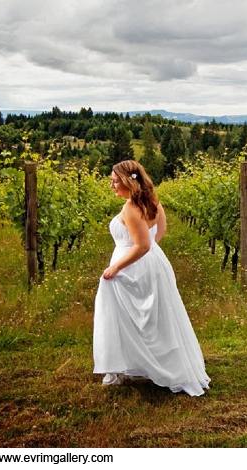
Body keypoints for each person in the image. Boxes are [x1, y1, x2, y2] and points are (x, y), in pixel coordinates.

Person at [92, 160, 211, 396]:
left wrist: (116, 267)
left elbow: (143, 245)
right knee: (158, 318)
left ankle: (140, 365)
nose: (111, 185)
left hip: (133, 266)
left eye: (115, 181)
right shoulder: (153, 201)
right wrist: (146, 257)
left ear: (128, 181)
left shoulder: (130, 208)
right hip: (153, 265)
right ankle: (151, 363)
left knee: (128, 316)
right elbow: (159, 233)